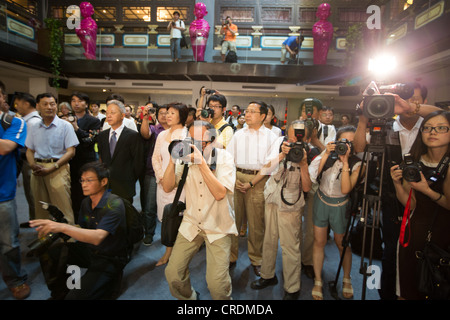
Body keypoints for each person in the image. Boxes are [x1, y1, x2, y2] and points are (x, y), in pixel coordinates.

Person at [353, 82, 441, 300]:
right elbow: (359, 149)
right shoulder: (386, 126)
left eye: (414, 100)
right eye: (400, 101)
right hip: (392, 197)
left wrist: (411, 108)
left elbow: (444, 114)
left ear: (423, 102)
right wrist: (364, 116)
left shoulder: (431, 127)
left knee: (427, 250)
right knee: (391, 250)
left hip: (428, 199)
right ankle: (390, 293)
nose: (406, 105)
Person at [30, 161, 129, 299]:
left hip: (109, 258)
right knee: (53, 251)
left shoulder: (114, 204)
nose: (84, 184)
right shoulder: (86, 203)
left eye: (89, 180)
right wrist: (60, 227)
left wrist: (63, 227)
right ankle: (60, 293)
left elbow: (97, 237)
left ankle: (112, 281)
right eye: (82, 180)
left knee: (75, 298)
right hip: (90, 251)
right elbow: (82, 230)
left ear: (104, 181)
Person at [164, 120, 237, 300]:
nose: (193, 144)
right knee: (172, 274)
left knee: (217, 285)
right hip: (192, 222)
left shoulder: (224, 158)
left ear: (211, 140)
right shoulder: (186, 159)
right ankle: (189, 297)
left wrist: (202, 163)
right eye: (190, 139)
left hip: (218, 225)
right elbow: (167, 187)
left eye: (199, 140)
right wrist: (173, 160)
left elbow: (220, 193)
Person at [390, 110, 450, 300]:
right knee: (408, 291)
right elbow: (411, 204)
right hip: (414, 233)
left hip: (444, 235)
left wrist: (427, 190)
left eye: (441, 128)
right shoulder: (413, 161)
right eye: (428, 128)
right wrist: (397, 184)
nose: (433, 132)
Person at [250, 120, 312, 300]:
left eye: (299, 135)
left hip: (291, 203)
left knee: (290, 246)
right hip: (272, 196)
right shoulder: (280, 143)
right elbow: (265, 168)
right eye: (292, 134)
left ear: (306, 137)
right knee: (269, 239)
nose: (294, 139)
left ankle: (292, 288)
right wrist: (281, 155)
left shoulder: (312, 152)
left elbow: (307, 188)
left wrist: (304, 163)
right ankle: (267, 276)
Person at [309, 126, 364, 300]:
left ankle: (346, 278)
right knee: (319, 241)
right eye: (343, 142)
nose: (346, 145)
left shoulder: (358, 164)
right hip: (321, 201)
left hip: (341, 206)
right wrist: (326, 153)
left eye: (350, 142)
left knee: (342, 244)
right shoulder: (328, 156)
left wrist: (345, 162)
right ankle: (318, 280)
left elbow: (346, 188)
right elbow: (313, 176)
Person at [226, 101, 278, 275]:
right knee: (234, 220)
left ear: (263, 116)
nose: (247, 114)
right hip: (237, 177)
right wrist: (234, 178)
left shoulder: (271, 137)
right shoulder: (238, 134)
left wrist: (251, 183)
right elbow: (228, 158)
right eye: (246, 111)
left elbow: (269, 164)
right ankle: (231, 256)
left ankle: (256, 259)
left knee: (256, 224)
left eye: (252, 112)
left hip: (258, 180)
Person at [25, 93, 79, 225]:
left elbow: (71, 151)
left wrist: (53, 167)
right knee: (40, 208)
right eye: (45, 104)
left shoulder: (65, 126)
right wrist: (32, 165)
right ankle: (44, 239)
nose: (49, 107)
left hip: (58, 168)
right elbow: (29, 150)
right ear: (38, 106)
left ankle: (67, 241)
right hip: (37, 170)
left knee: (62, 207)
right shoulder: (33, 127)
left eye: (52, 104)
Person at [0, 91, 31, 299]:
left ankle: (14, 279)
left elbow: (6, 147)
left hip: (3, 193)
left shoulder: (13, 122)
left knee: (8, 242)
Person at [152, 102, 188, 266]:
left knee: (175, 219)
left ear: (181, 115)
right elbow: (155, 158)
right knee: (164, 218)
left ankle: (170, 254)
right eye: (167, 112)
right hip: (162, 183)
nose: (167, 115)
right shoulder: (161, 134)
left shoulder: (186, 135)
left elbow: (181, 164)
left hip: (178, 185)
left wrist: (170, 181)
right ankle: (169, 249)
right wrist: (160, 177)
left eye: (172, 113)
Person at [96, 100, 144, 204]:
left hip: (125, 185)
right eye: (107, 113)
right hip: (107, 184)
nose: (109, 116)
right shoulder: (102, 136)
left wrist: (130, 178)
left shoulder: (132, 135)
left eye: (112, 113)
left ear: (122, 115)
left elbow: (138, 162)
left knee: (124, 215)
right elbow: (101, 158)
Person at [69, 91, 101, 216]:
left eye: (80, 101)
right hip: (69, 160)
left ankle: (87, 217)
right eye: (73, 101)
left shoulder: (93, 121)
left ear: (86, 104)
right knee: (72, 190)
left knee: (87, 190)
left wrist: (77, 129)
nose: (76, 104)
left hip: (86, 160)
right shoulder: (65, 120)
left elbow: (91, 140)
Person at [140, 104, 168, 246]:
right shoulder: (154, 129)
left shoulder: (176, 131)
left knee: (168, 206)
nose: (164, 115)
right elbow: (145, 134)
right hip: (152, 172)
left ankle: (167, 234)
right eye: (160, 113)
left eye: (167, 113)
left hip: (169, 174)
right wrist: (145, 118)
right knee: (150, 206)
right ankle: (149, 233)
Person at [13, 92, 41, 226]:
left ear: (26, 103)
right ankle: (33, 219)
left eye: (17, 104)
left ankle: (36, 221)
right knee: (30, 193)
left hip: (31, 161)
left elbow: (33, 146)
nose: (16, 107)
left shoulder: (33, 122)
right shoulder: (27, 121)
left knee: (33, 193)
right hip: (26, 160)